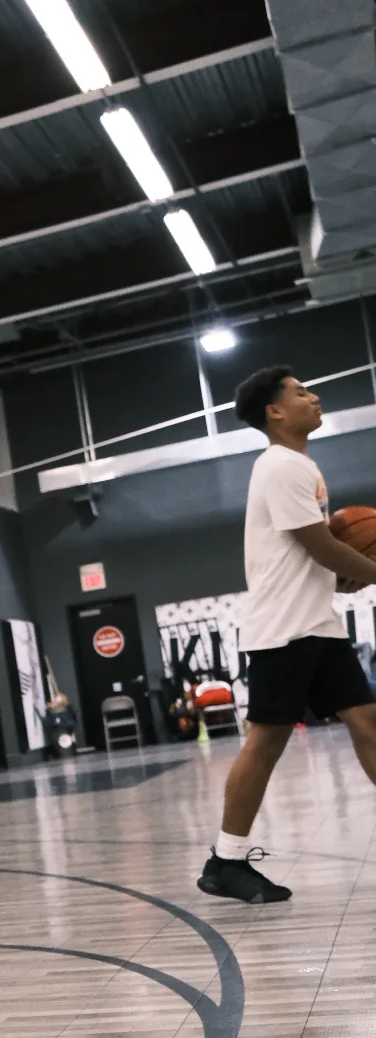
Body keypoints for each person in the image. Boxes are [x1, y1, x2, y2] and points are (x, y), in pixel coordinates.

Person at [199, 369, 376, 903]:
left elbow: (310, 555)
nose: (313, 396)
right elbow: (318, 544)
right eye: (300, 392)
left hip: (316, 622)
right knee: (267, 741)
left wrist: (341, 578)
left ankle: (226, 862)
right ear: (274, 411)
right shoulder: (279, 466)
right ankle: (226, 861)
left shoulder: (299, 465)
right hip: (284, 629)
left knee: (368, 722)